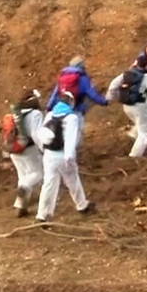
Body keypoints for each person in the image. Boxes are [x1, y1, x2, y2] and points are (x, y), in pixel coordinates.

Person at [35, 91, 95, 222]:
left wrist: (43, 150)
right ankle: (82, 205)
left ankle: (42, 214)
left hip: (48, 155)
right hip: (62, 155)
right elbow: (70, 140)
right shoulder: (71, 118)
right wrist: (70, 158)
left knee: (48, 184)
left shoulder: (50, 115)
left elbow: (43, 134)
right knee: (73, 181)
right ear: (71, 103)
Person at [107, 56, 147, 158]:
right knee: (145, 133)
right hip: (140, 107)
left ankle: (136, 139)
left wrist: (112, 98)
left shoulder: (126, 74)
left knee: (140, 125)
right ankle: (134, 156)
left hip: (127, 106)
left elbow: (112, 86)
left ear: (136, 63)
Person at [46, 56, 109, 142]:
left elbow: (55, 93)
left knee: (62, 132)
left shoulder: (63, 77)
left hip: (61, 109)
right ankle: (73, 149)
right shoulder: (82, 78)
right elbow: (92, 94)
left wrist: (49, 106)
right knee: (77, 133)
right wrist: (104, 102)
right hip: (76, 109)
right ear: (81, 66)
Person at [7, 89, 45, 217]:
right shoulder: (35, 114)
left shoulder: (16, 112)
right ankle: (23, 189)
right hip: (29, 149)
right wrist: (44, 149)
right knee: (38, 174)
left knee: (23, 176)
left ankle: (21, 207)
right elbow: (36, 134)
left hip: (14, 149)